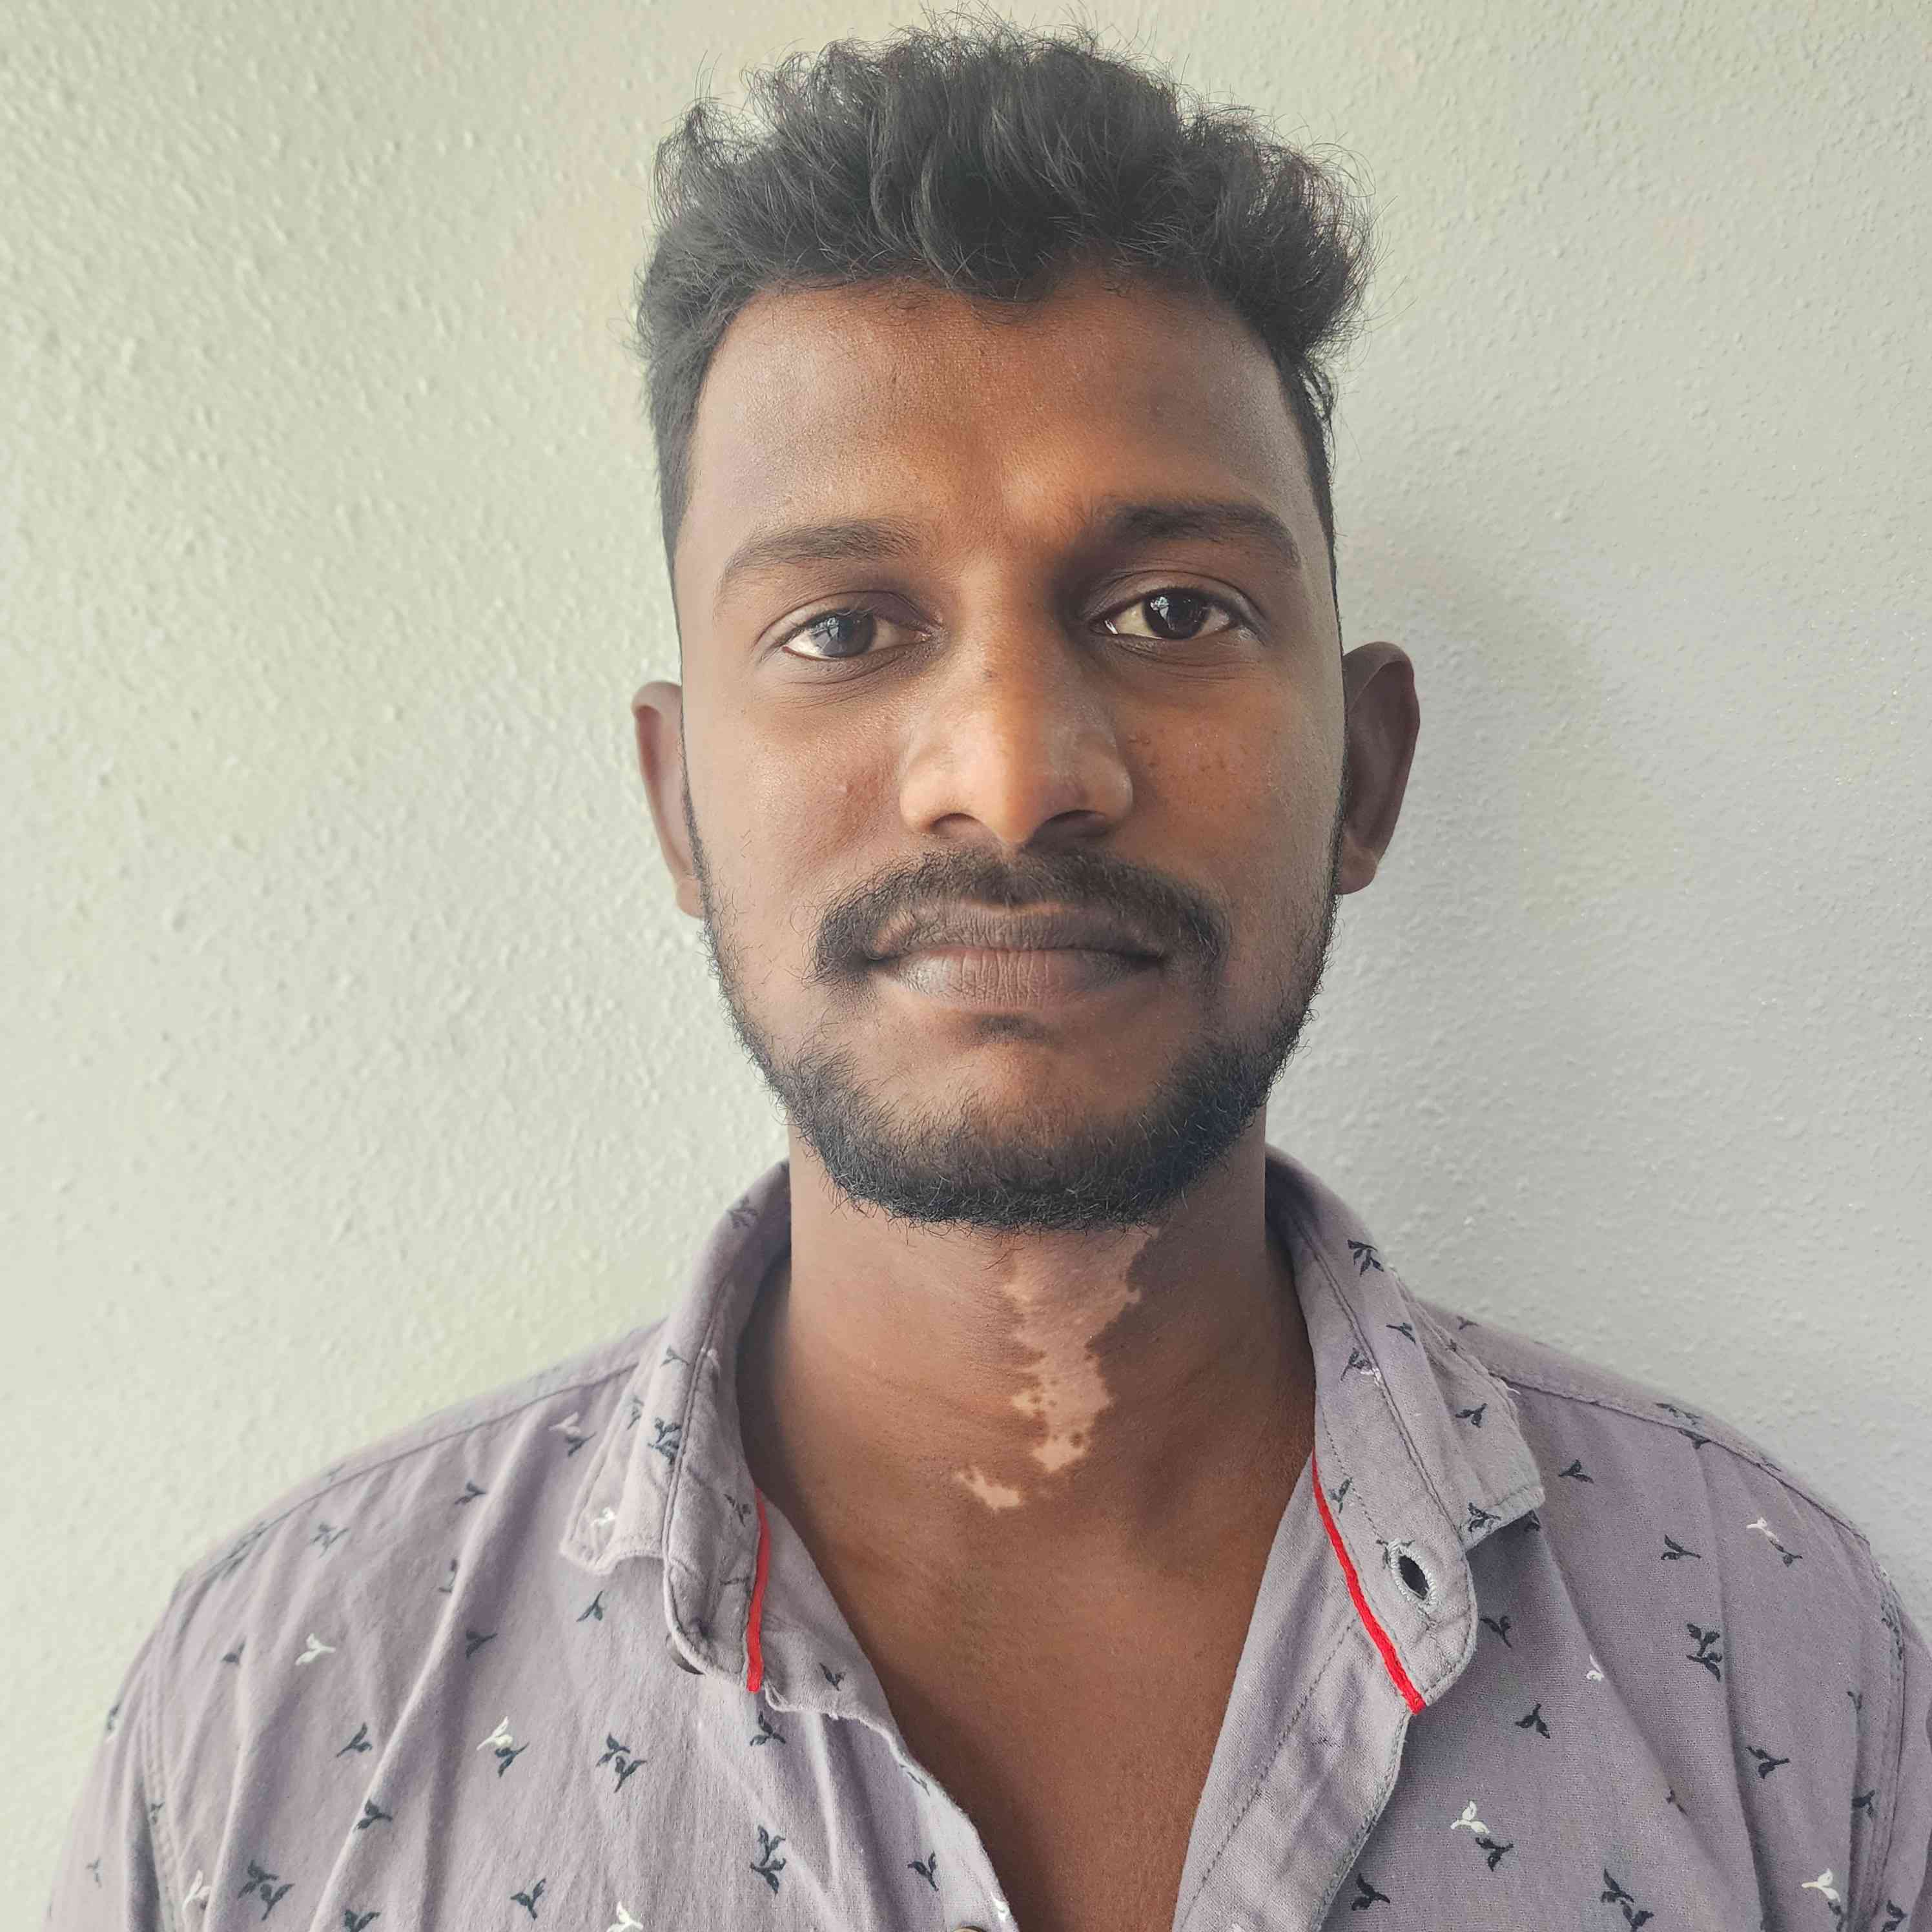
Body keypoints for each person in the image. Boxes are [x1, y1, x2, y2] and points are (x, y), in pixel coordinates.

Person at [48, 10, 1929, 1929]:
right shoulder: (282, 1718)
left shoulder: (1776, 1652)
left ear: (1367, 773)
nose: (1016, 773)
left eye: (1172, 611)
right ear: (680, 806)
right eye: (844, 629)